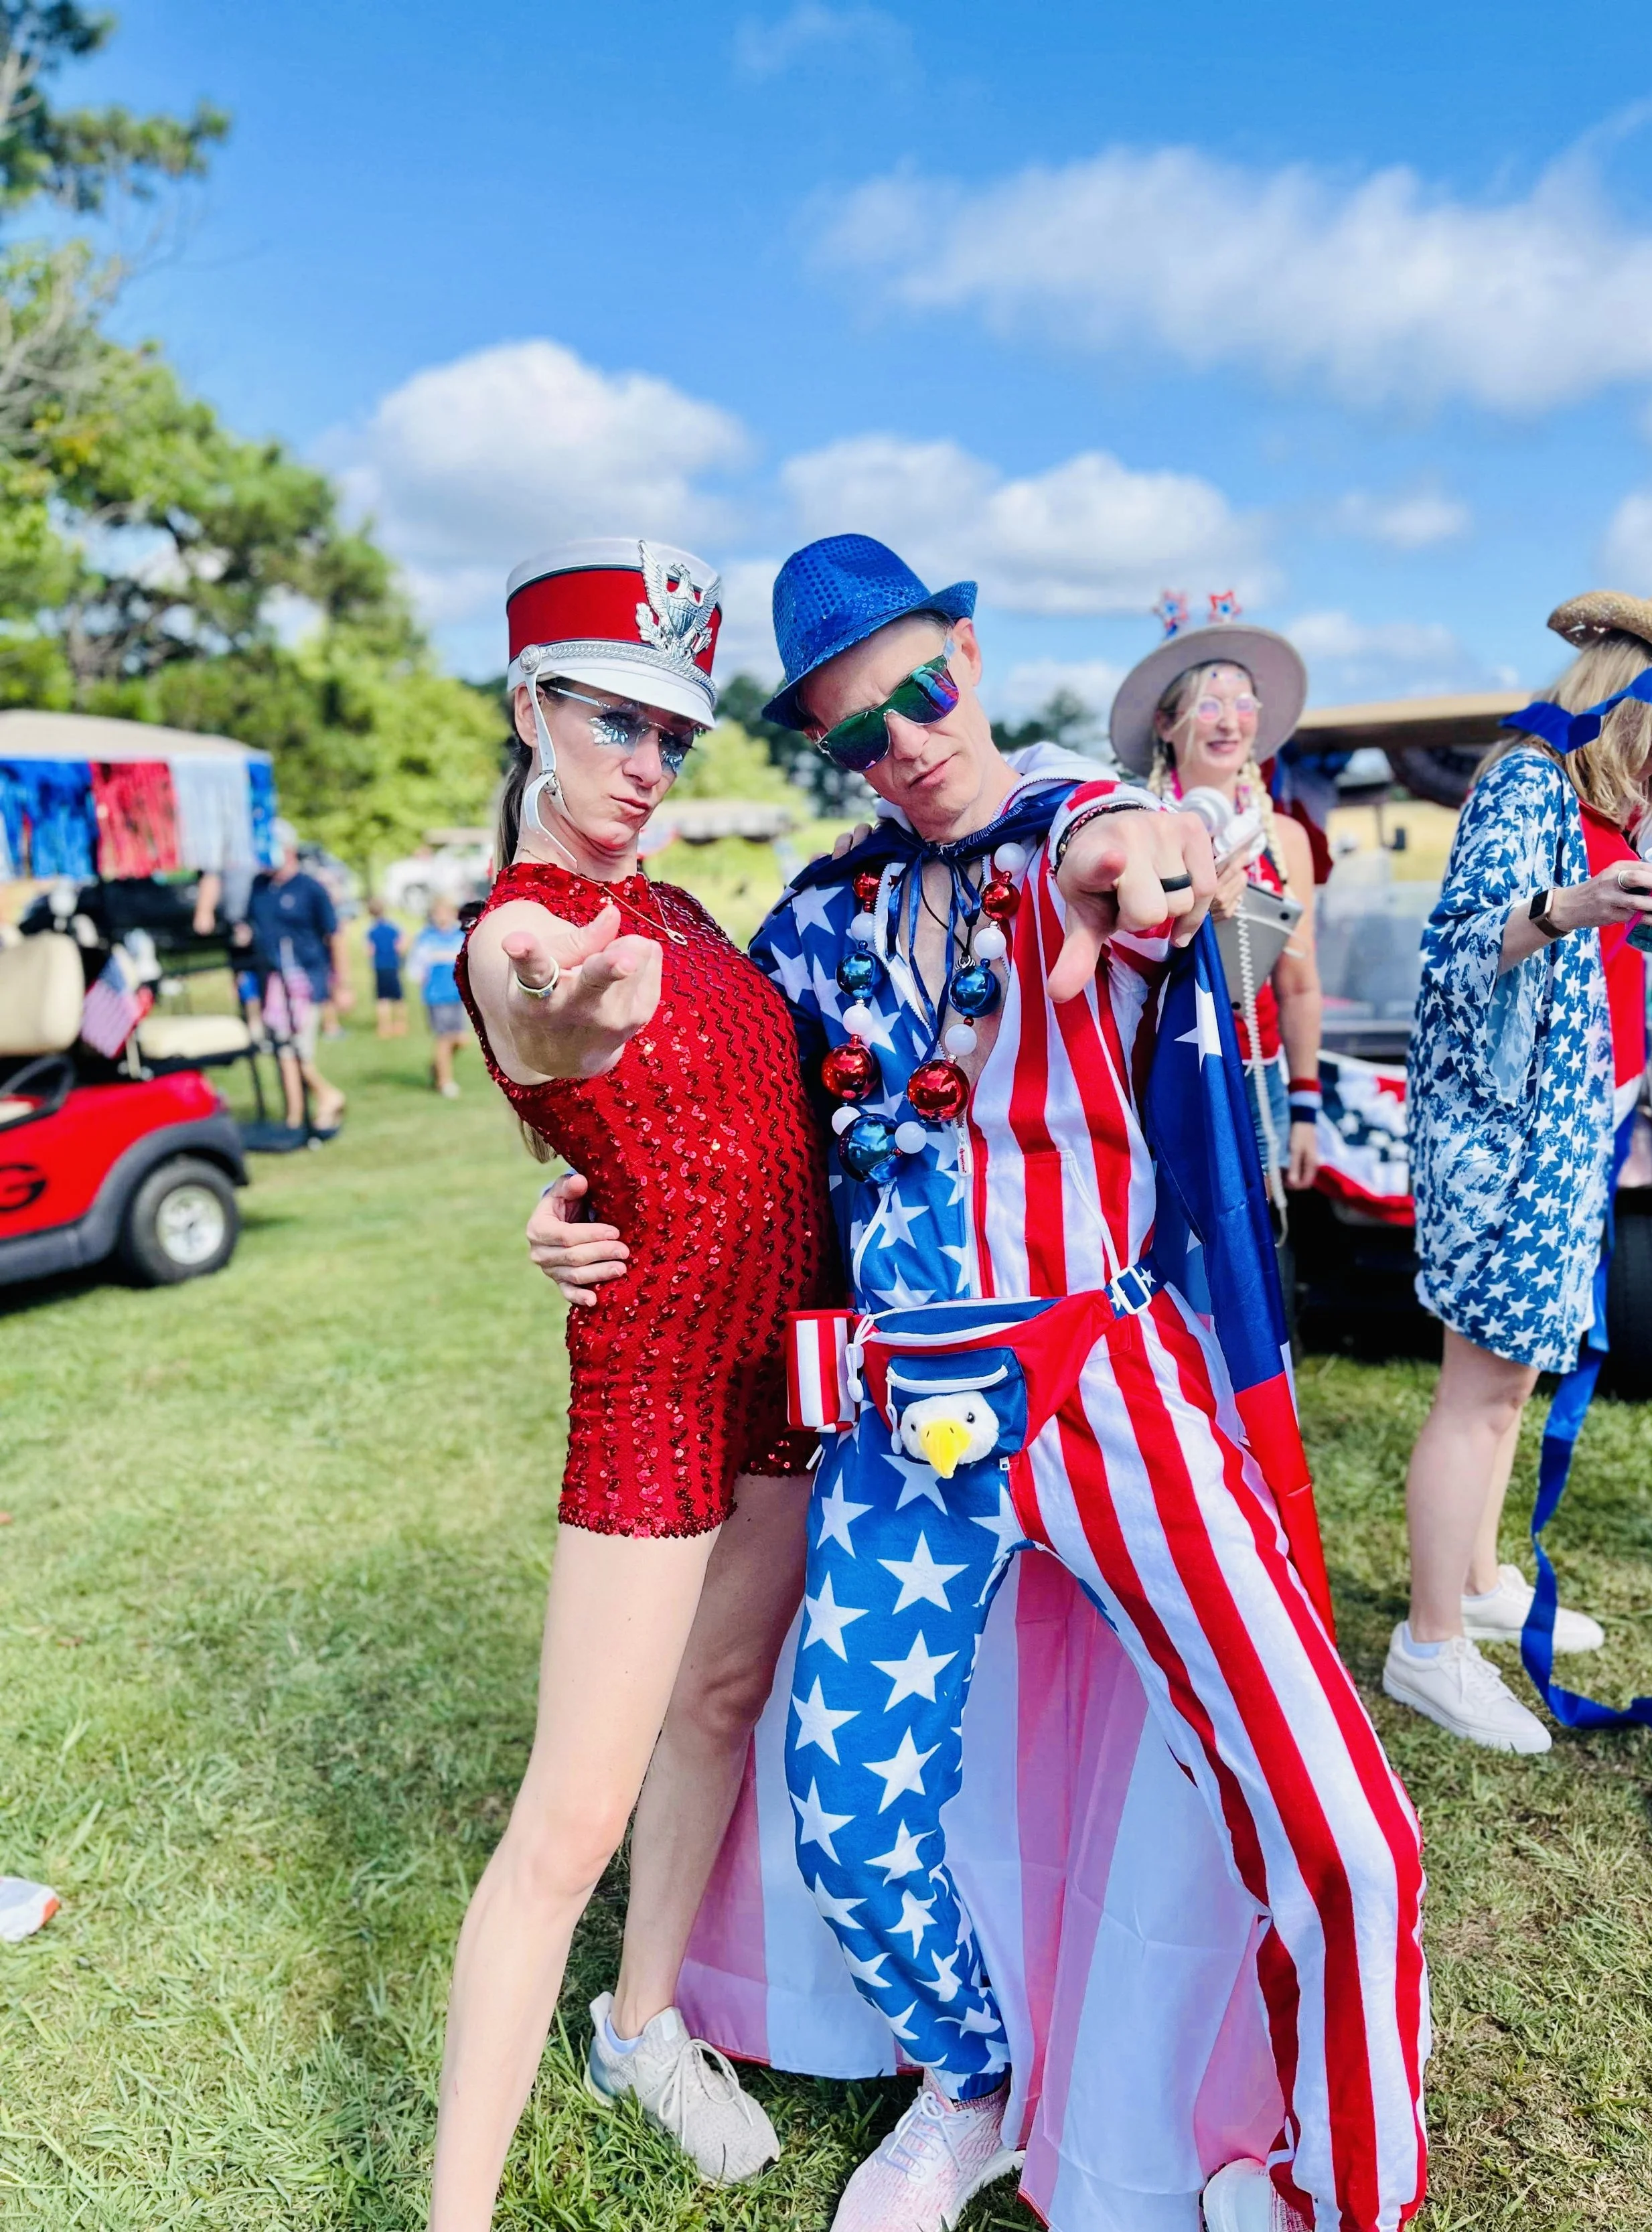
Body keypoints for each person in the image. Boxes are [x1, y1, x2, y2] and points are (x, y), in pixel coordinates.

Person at [536, 536, 1428, 2232]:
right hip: (900, 1420)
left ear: (968, 646)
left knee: (1334, 1813)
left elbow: (1137, 845)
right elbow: (695, 1095)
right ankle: (970, 2075)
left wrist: (1153, 848)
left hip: (1109, 1381)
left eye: (924, 690)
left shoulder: (1072, 829)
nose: (905, 743)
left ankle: (1340, 2189)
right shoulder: (823, 915)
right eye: (855, 731)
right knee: (847, 1807)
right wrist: (575, 1189)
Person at [429, 538, 843, 2230]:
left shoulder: (683, 908)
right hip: (659, 1374)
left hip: (789, 1362)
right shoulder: (524, 926)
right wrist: (563, 1017)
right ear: (530, 704)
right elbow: (537, 1011)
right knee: (570, 1817)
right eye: (615, 721)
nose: (646, 764)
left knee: (719, 1702)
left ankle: (640, 2023)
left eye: (671, 735)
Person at [1388, 584, 1652, 1753]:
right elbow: (1462, 944)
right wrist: (1577, 903)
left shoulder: (1614, 804)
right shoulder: (1529, 779)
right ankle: (1428, 1644)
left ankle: (1475, 1578)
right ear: (1639, 700)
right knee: (1480, 1386)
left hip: (1565, 1121)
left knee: (1510, 1381)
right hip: (1503, 1133)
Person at [1110, 618, 1321, 1194]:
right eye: (1209, 706)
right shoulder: (1133, 826)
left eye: (1243, 704)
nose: (1230, 722)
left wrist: (1305, 1105)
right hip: (1158, 1075)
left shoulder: (1284, 838)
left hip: (1258, 1080)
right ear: (1166, 724)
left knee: (1256, 1239)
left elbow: (1300, 986)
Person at [241, 818, 348, 1133]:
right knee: (283, 1050)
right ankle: (301, 1113)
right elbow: (253, 929)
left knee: (294, 1050)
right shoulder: (259, 888)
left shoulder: (310, 888)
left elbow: (334, 936)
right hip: (273, 983)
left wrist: (342, 983)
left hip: (305, 980)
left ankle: (310, 1108)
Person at [407, 897, 467, 1095]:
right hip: (437, 996)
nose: (442, 917)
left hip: (458, 995)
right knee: (444, 1038)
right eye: (438, 913)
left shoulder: (460, 937)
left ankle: (437, 1066)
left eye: (446, 913)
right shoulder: (426, 938)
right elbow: (416, 968)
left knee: (460, 1040)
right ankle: (444, 1082)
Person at [366, 897, 407, 1037]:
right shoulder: (394, 928)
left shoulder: (371, 931)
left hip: (379, 966)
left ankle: (384, 1027)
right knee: (398, 997)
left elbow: (369, 951)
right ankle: (401, 1025)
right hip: (393, 965)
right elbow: (401, 946)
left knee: (382, 998)